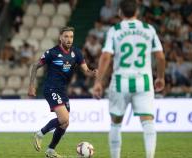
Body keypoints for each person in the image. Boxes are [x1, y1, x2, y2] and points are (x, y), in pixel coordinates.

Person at [93, 0, 165, 158]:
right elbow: (160, 56)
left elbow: (106, 57)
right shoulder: (148, 29)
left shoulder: (115, 30)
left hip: (120, 82)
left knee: (116, 123)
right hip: (144, 81)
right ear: (137, 12)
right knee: (148, 121)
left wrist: (98, 81)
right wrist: (160, 77)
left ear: (120, 13)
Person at [28, 26, 97, 158]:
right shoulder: (52, 53)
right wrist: (31, 85)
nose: (69, 39)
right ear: (60, 37)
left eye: (71, 37)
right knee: (64, 118)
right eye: (66, 36)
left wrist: (92, 73)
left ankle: (50, 151)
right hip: (50, 88)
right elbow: (35, 66)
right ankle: (39, 134)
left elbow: (86, 70)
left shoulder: (76, 53)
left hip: (62, 91)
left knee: (65, 123)